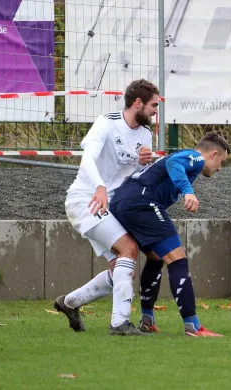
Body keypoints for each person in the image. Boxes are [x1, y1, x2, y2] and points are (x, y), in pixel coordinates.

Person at [53, 79, 158, 336]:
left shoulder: (145, 134)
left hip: (111, 205)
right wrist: (100, 186)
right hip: (85, 199)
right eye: (154, 105)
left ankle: (69, 303)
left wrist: (144, 163)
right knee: (129, 250)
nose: (157, 111)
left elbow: (135, 174)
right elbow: (87, 157)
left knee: (121, 269)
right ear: (138, 103)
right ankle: (119, 324)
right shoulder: (107, 122)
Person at [109, 132, 230, 337]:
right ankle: (193, 326)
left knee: (155, 258)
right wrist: (188, 191)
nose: (219, 168)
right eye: (221, 162)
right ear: (214, 154)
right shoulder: (196, 158)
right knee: (178, 260)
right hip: (141, 203)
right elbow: (175, 163)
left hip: (122, 203)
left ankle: (147, 320)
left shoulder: (184, 156)